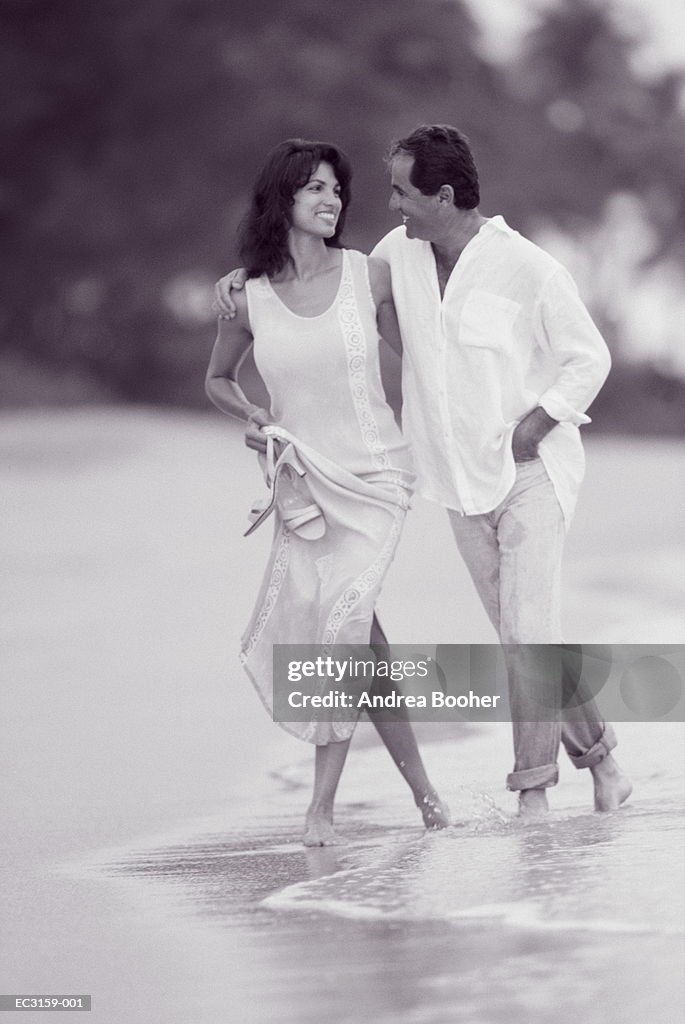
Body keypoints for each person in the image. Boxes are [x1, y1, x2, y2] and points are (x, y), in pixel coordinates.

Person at [215, 125, 632, 819]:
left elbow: (587, 358)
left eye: (403, 191)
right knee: (524, 635)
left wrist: (536, 424)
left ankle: (532, 794)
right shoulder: (392, 258)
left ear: (442, 194)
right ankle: (603, 764)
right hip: (457, 483)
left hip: (531, 473)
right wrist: (240, 280)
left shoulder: (528, 268)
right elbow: (313, 285)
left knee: (527, 634)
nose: (389, 203)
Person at [205, 138, 449, 845]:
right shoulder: (246, 297)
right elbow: (218, 380)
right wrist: (254, 420)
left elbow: (426, 355)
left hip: (375, 477)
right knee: (357, 640)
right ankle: (427, 797)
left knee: (342, 622)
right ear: (282, 197)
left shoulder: (366, 274)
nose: (331, 198)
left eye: (336, 189)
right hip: (304, 486)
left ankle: (320, 811)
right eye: (314, 187)